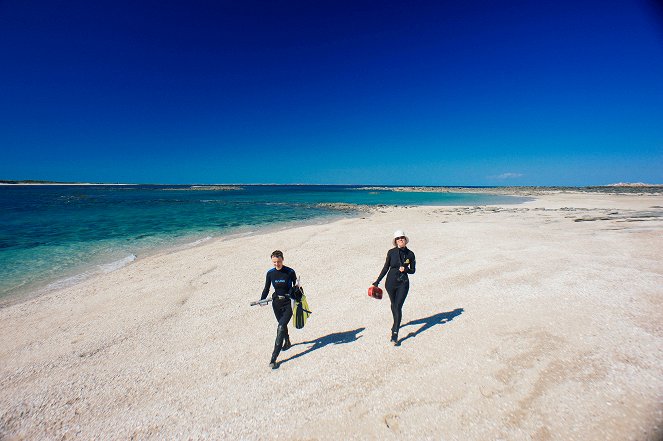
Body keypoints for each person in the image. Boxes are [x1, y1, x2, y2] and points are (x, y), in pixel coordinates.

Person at [373, 230, 416, 346]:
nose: (400, 239)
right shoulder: (391, 252)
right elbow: (386, 267)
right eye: (398, 238)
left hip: (403, 283)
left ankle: (395, 333)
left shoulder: (410, 254)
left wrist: (406, 269)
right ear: (395, 241)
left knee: (397, 306)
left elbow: (413, 270)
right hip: (390, 283)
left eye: (402, 237)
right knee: (393, 305)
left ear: (405, 239)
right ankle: (396, 322)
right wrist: (377, 281)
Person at [260, 250, 297, 369]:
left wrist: (296, 293)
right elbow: (266, 288)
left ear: (283, 259)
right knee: (282, 325)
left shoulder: (290, 272)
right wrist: (262, 299)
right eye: (274, 262)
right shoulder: (270, 273)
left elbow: (297, 287)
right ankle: (287, 342)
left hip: (288, 303)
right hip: (276, 303)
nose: (277, 264)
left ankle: (273, 359)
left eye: (279, 261)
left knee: (280, 326)